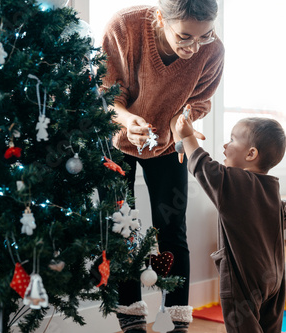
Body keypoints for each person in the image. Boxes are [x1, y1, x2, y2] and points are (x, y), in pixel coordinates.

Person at [100, 0, 224, 332]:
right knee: (121, 229)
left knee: (172, 231)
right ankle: (131, 320)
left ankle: (176, 320)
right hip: (116, 140)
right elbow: (106, 92)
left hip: (167, 144)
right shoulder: (125, 26)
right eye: (185, 37)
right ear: (160, 18)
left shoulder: (212, 52)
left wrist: (179, 121)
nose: (194, 47)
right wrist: (128, 121)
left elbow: (200, 101)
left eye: (205, 35)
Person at [176, 115, 286, 333]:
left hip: (244, 279)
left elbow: (203, 167)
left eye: (232, 139)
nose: (225, 145)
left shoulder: (234, 182)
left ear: (251, 154)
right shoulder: (272, 187)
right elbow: (281, 220)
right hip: (274, 277)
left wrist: (188, 136)